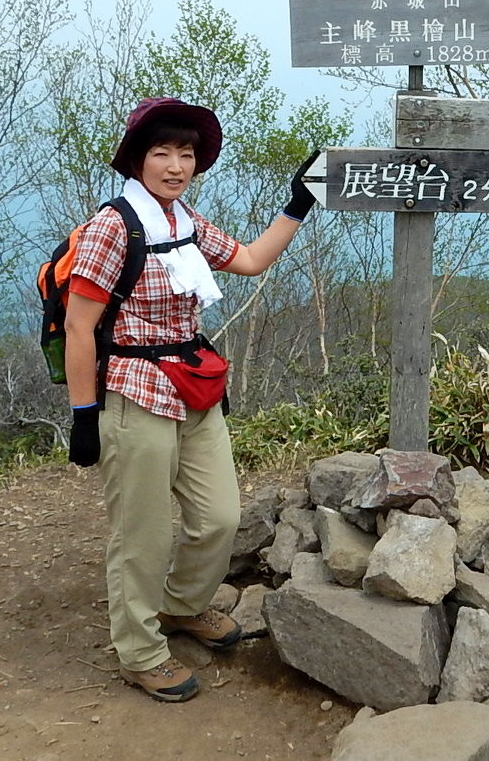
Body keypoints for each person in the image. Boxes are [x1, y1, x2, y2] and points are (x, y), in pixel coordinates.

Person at [62, 97, 316, 702]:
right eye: (162, 153)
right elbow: (79, 327)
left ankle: (181, 607)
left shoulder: (186, 224)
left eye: (186, 154)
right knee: (142, 536)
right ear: (138, 159)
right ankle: (141, 651)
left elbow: (250, 261)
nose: (176, 165)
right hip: (133, 391)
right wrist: (83, 416)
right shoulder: (113, 228)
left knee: (220, 517)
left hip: (194, 387)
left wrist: (299, 202)